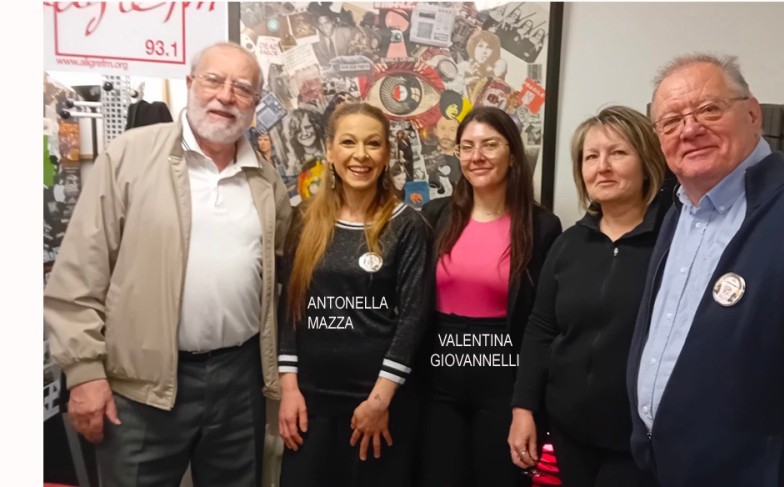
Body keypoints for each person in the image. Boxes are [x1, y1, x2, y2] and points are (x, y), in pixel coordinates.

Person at [43, 42, 293, 485]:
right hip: (139, 388)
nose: (225, 96)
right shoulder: (130, 156)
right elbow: (78, 276)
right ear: (191, 83)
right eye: (214, 80)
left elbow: (284, 275)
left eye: (242, 88)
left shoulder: (265, 180)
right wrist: (83, 374)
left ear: (255, 103)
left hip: (239, 382)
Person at [627, 53, 784, 486]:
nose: (689, 129)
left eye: (709, 109)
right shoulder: (679, 211)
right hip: (664, 466)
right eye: (671, 121)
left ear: (753, 114)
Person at [508, 106, 672, 486]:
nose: (603, 167)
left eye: (618, 153)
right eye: (591, 157)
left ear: (647, 163)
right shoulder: (568, 244)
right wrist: (523, 407)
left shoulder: (673, 242)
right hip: (569, 432)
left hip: (638, 440)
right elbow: (541, 329)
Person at [276, 102, 431, 486]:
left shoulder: (407, 225)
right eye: (348, 142)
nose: (360, 155)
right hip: (310, 403)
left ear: (386, 154)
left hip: (378, 406)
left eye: (372, 143)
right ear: (329, 151)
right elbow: (290, 309)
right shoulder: (304, 219)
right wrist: (289, 389)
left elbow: (413, 319)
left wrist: (379, 401)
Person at [418, 107, 562, 486]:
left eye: (490, 145)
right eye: (467, 147)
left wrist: (526, 403)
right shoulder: (434, 216)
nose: (476, 156)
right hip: (438, 383)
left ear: (512, 154)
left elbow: (543, 323)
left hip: (504, 383)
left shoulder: (542, 227)